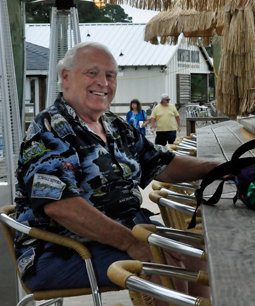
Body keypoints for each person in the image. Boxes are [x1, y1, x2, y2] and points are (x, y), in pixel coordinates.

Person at [13, 42, 220, 295]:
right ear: (65, 77)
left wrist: (218, 168)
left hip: (127, 229)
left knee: (197, 252)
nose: (104, 82)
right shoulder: (48, 129)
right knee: (165, 268)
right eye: (92, 73)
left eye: (110, 75)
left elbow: (161, 163)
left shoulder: (114, 125)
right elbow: (61, 206)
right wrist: (131, 242)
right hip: (62, 248)